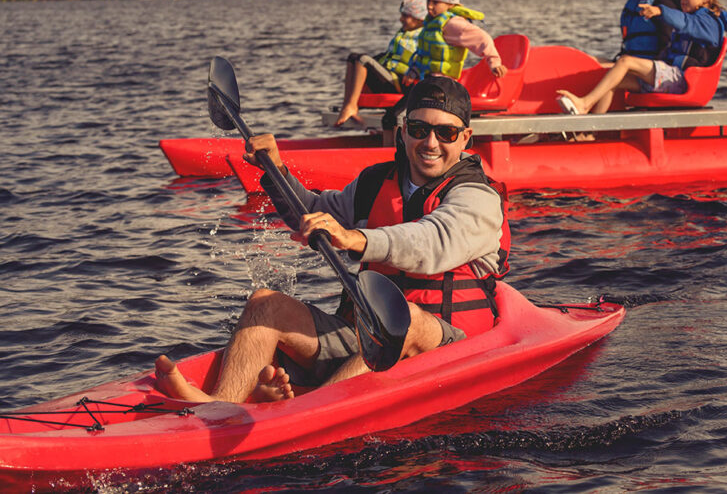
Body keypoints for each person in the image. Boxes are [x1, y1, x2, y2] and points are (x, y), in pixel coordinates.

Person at [155, 76, 510, 403]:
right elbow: (313, 212)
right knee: (266, 303)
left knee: (408, 320)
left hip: (452, 347)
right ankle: (222, 408)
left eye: (445, 133)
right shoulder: (376, 182)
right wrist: (276, 171)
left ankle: (305, 411)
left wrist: (354, 238)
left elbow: (431, 243)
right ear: (403, 131)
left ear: (465, 137)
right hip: (368, 339)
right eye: (419, 129)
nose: (430, 143)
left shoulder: (478, 197)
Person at [556, 0, 727, 115]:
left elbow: (685, 23)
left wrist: (660, 10)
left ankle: (584, 104)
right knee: (613, 78)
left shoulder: (709, 22)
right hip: (672, 76)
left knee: (625, 62)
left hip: (684, 80)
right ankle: (590, 133)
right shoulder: (695, 17)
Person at [334, 0, 426, 127]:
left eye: (406, 16)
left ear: (419, 18)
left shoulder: (423, 36)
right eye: (402, 15)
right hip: (388, 76)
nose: (401, 19)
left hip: (400, 83)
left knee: (362, 60)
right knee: (353, 57)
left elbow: (425, 58)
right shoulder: (404, 33)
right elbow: (389, 56)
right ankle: (348, 105)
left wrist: (414, 72)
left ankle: (352, 106)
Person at [408, 0, 507, 82]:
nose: (429, 6)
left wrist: (495, 63)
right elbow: (425, 54)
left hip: (442, 84)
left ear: (450, 4)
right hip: (427, 80)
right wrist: (414, 72)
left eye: (435, 3)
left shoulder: (453, 24)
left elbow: (483, 38)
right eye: (428, 1)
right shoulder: (431, 22)